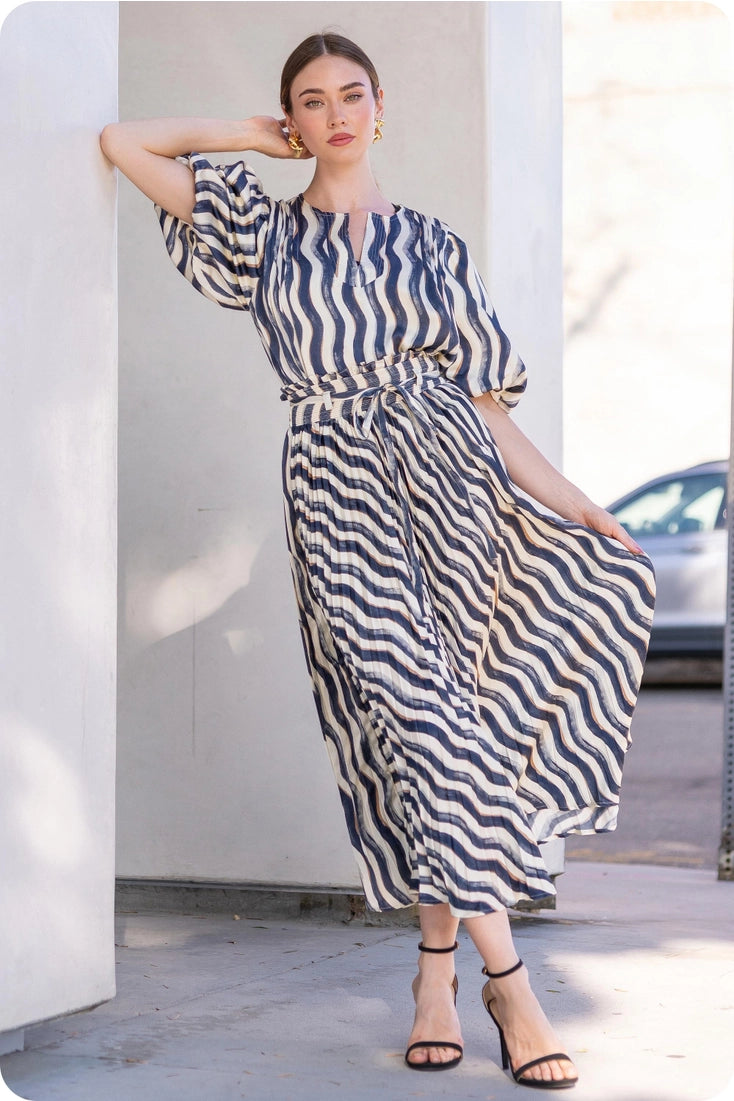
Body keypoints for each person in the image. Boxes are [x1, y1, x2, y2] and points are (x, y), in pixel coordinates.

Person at [100, 31, 655, 1090]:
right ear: (293, 122)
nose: (334, 115)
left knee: (452, 730)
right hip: (337, 493)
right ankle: (514, 987)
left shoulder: (434, 247)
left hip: (453, 493)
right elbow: (124, 141)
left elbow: (490, 417)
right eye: (309, 102)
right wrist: (240, 140)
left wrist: (579, 505)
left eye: (350, 95)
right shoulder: (259, 236)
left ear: (380, 107)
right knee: (415, 718)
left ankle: (437, 971)